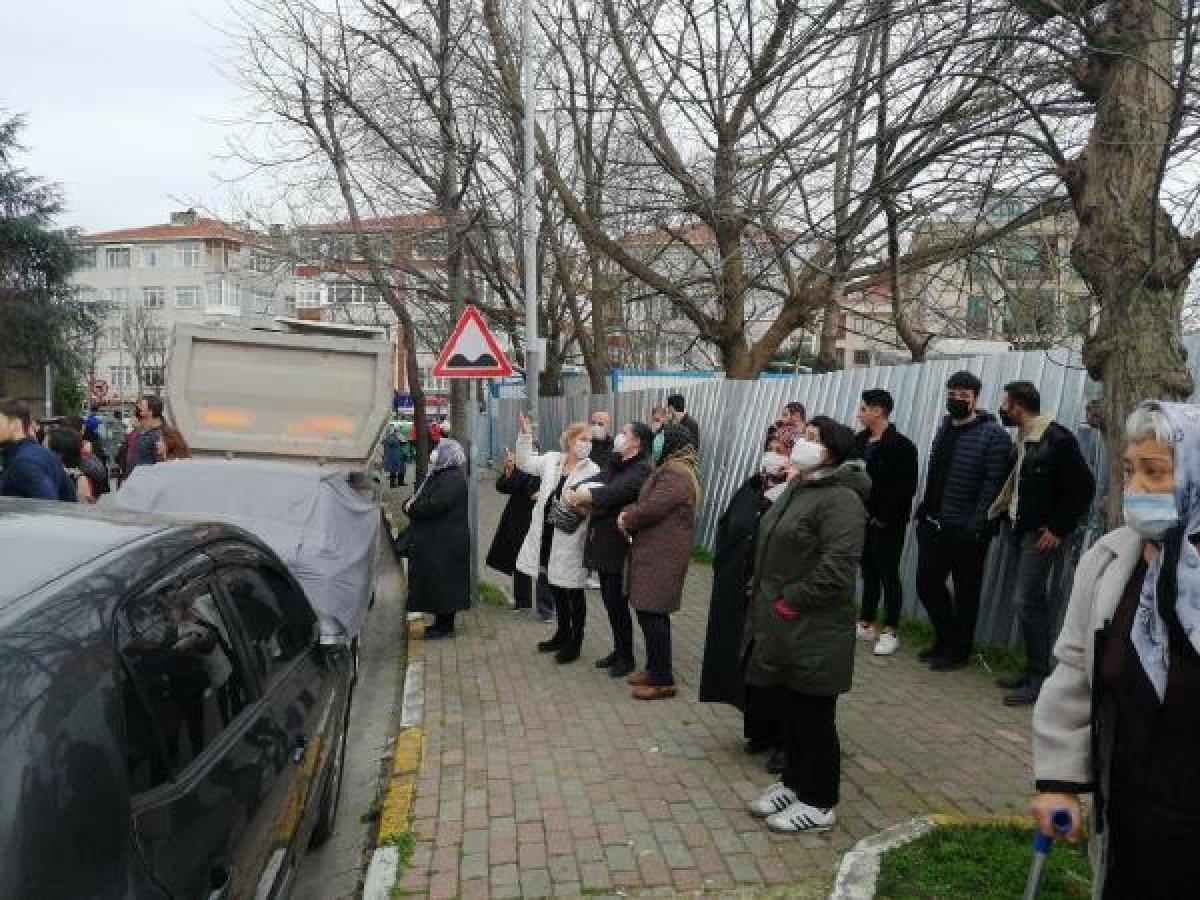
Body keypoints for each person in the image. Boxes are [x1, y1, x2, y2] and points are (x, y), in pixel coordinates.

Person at [1032, 401, 1200, 899]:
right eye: (1130, 470)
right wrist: (1059, 781)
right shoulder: (1108, 563)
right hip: (1132, 821)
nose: (1136, 487)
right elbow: (1072, 675)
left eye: (1155, 472)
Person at [744, 416, 868, 833]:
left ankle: (820, 802)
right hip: (783, 621)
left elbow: (838, 566)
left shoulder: (842, 500)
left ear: (831, 451)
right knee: (790, 710)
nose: (802, 441)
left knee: (814, 715)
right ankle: (794, 783)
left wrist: (791, 601)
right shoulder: (799, 487)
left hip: (814, 625)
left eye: (812, 438)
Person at [986, 381, 1095, 706]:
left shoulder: (1056, 439)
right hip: (1020, 529)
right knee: (1029, 601)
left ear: (1017, 406)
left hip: (1040, 534)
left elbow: (1083, 487)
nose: (1003, 410)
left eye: (1006, 404)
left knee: (1026, 601)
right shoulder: (1022, 438)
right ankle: (1034, 669)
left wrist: (1059, 528)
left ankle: (1039, 678)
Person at [914, 370, 1012, 671]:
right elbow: (935, 473)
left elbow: (992, 485)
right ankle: (944, 639)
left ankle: (958, 652)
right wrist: (925, 509)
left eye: (963, 394)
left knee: (967, 592)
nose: (956, 399)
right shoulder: (945, 427)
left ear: (975, 398)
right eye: (952, 393)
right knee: (927, 585)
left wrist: (976, 524)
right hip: (933, 523)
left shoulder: (993, 434)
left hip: (968, 531)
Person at [700, 445, 789, 766]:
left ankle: (784, 739)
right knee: (744, 661)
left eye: (783, 450)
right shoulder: (753, 486)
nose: (775, 455)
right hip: (737, 588)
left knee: (773, 665)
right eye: (771, 449)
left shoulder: (793, 495)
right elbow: (728, 526)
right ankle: (758, 728)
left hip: (775, 594)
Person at [618, 424, 700, 700]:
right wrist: (631, 512)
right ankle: (654, 668)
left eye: (661, 438)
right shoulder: (670, 469)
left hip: (662, 555)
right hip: (656, 551)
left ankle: (663, 680)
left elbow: (653, 509)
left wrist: (627, 518)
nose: (656, 442)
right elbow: (649, 504)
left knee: (652, 614)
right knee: (651, 611)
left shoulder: (675, 473)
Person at [568, 421, 654, 678]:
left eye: (625, 433)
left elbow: (615, 493)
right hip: (603, 541)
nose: (619, 436)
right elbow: (599, 481)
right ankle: (618, 650)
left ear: (636, 441)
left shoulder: (640, 470)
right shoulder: (617, 463)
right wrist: (577, 489)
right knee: (608, 600)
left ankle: (626, 657)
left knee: (617, 602)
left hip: (619, 545)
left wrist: (589, 498)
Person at [514, 414, 601, 663]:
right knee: (554, 584)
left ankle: (576, 641)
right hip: (547, 534)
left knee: (573, 589)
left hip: (572, 537)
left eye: (590, 440)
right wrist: (525, 435)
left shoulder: (592, 469)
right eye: (583, 439)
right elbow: (525, 462)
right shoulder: (553, 460)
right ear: (570, 440)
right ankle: (562, 634)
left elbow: (591, 498)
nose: (587, 444)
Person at [854, 389, 919, 657]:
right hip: (861, 519)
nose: (860, 413)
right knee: (868, 572)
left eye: (864, 408)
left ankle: (890, 629)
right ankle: (866, 622)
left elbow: (906, 488)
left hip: (887, 522)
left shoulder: (902, 446)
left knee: (888, 574)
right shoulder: (858, 442)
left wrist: (883, 516)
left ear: (878, 411)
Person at [404, 438, 471, 639]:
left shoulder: (452, 478)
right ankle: (440, 623)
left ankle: (445, 626)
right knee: (438, 583)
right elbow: (422, 496)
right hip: (440, 541)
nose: (434, 453)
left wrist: (412, 508)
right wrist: (409, 505)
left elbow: (435, 504)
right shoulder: (442, 474)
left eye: (438, 450)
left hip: (446, 543)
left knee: (445, 584)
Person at [486, 448, 553, 619]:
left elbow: (530, 490)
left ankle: (546, 608)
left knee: (541, 564)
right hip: (517, 521)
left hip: (537, 521)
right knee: (518, 561)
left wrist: (518, 473)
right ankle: (522, 601)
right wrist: (508, 471)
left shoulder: (543, 470)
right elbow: (502, 487)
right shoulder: (520, 471)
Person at [0, 399, 77, 501]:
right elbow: (70, 495)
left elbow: (47, 505)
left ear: (16, 424)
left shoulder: (24, 463)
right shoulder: (45, 454)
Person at [45, 426, 95, 503]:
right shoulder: (43, 472)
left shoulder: (79, 480)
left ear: (58, 453)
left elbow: (83, 509)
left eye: (45, 447)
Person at [383, 424, 406, 488]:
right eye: (397, 431)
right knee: (393, 470)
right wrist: (398, 439)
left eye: (399, 431)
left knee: (401, 469)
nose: (398, 432)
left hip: (399, 455)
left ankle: (400, 482)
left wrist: (401, 440)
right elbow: (387, 442)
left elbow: (402, 444)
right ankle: (392, 484)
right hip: (392, 456)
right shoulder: (391, 437)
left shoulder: (398, 436)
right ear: (394, 431)